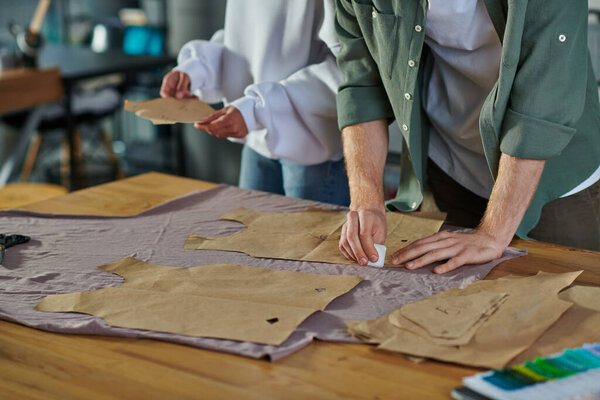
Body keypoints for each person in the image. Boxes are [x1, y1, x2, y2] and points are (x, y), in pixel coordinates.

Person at [335, 0, 600, 272]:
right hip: (450, 162)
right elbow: (361, 84)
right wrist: (367, 201)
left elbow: (541, 101)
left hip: (552, 174)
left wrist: (493, 234)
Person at [160, 0, 350, 206]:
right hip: (257, 141)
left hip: (314, 149)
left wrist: (258, 109)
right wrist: (197, 69)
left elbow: (349, 69)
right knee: (250, 236)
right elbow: (246, 40)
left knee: (308, 239)